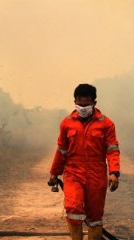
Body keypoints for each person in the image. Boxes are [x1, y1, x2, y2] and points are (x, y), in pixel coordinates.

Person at [48, 83, 120, 240]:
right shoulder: (66, 123)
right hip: (73, 172)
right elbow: (61, 151)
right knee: (73, 208)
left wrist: (114, 172)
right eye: (79, 103)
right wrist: (54, 173)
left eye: (86, 104)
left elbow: (112, 150)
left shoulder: (106, 124)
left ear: (94, 102)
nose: (82, 107)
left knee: (95, 217)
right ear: (74, 101)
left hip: (96, 174)